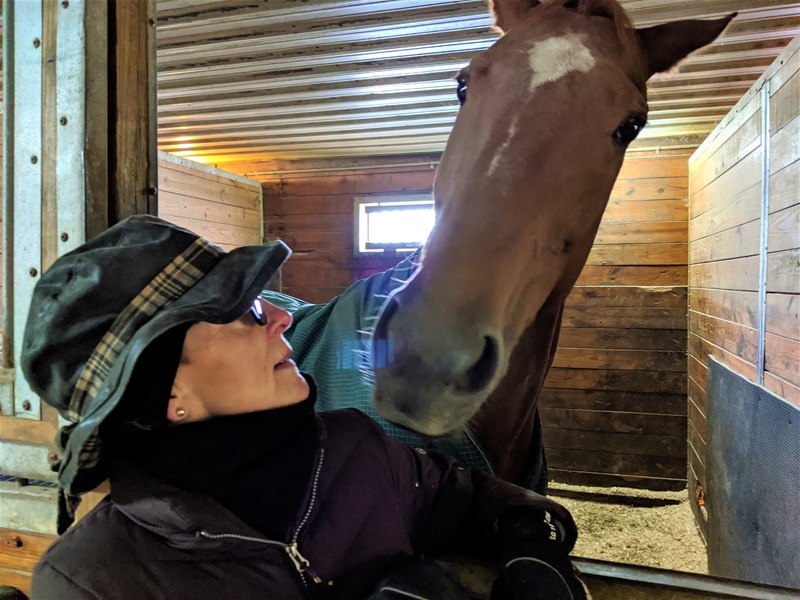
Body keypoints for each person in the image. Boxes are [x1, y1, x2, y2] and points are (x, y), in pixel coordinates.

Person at [23, 215, 588, 600]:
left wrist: (533, 543)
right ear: (167, 394)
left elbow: (463, 494)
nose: (282, 317)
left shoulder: (357, 449)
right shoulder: (92, 582)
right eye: (243, 313)